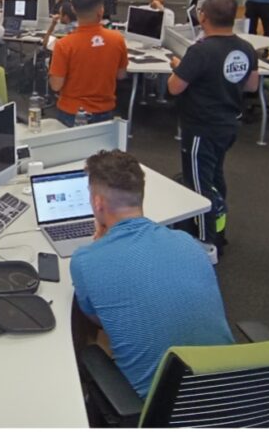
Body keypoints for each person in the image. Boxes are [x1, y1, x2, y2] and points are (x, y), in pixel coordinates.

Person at [70, 150, 233, 398]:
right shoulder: (187, 242)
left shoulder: (85, 261)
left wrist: (102, 248)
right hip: (234, 391)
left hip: (160, 410)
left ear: (97, 203)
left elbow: (98, 319)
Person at [168, 0, 259, 261]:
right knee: (215, 178)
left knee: (198, 184)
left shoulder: (200, 51)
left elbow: (175, 87)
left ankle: (206, 243)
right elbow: (252, 86)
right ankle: (218, 229)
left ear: (202, 16)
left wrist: (179, 67)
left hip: (200, 128)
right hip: (228, 125)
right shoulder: (246, 48)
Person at [48, 0, 127, 127]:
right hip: (104, 111)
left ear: (73, 9)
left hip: (71, 112)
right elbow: (121, 75)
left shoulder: (64, 45)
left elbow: (56, 85)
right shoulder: (117, 39)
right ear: (101, 11)